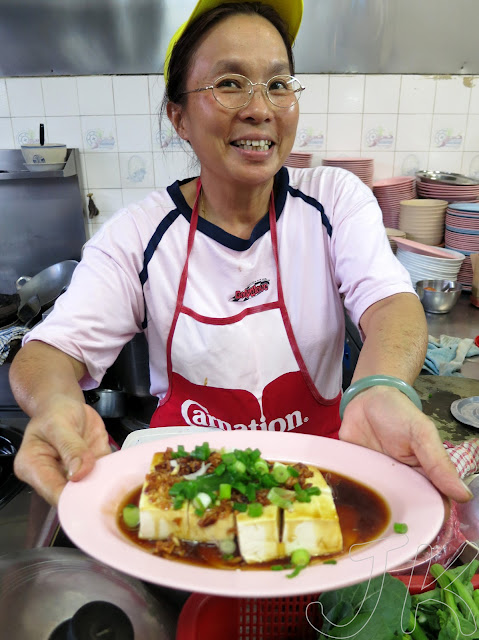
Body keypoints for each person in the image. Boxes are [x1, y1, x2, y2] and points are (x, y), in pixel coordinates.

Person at [9, 0, 471, 507]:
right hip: (188, 489)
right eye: (230, 83)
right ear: (178, 117)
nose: (260, 107)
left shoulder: (334, 199)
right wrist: (54, 403)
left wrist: (381, 388)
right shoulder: (136, 236)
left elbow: (390, 303)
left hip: (313, 481)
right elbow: (48, 353)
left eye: (277, 84)